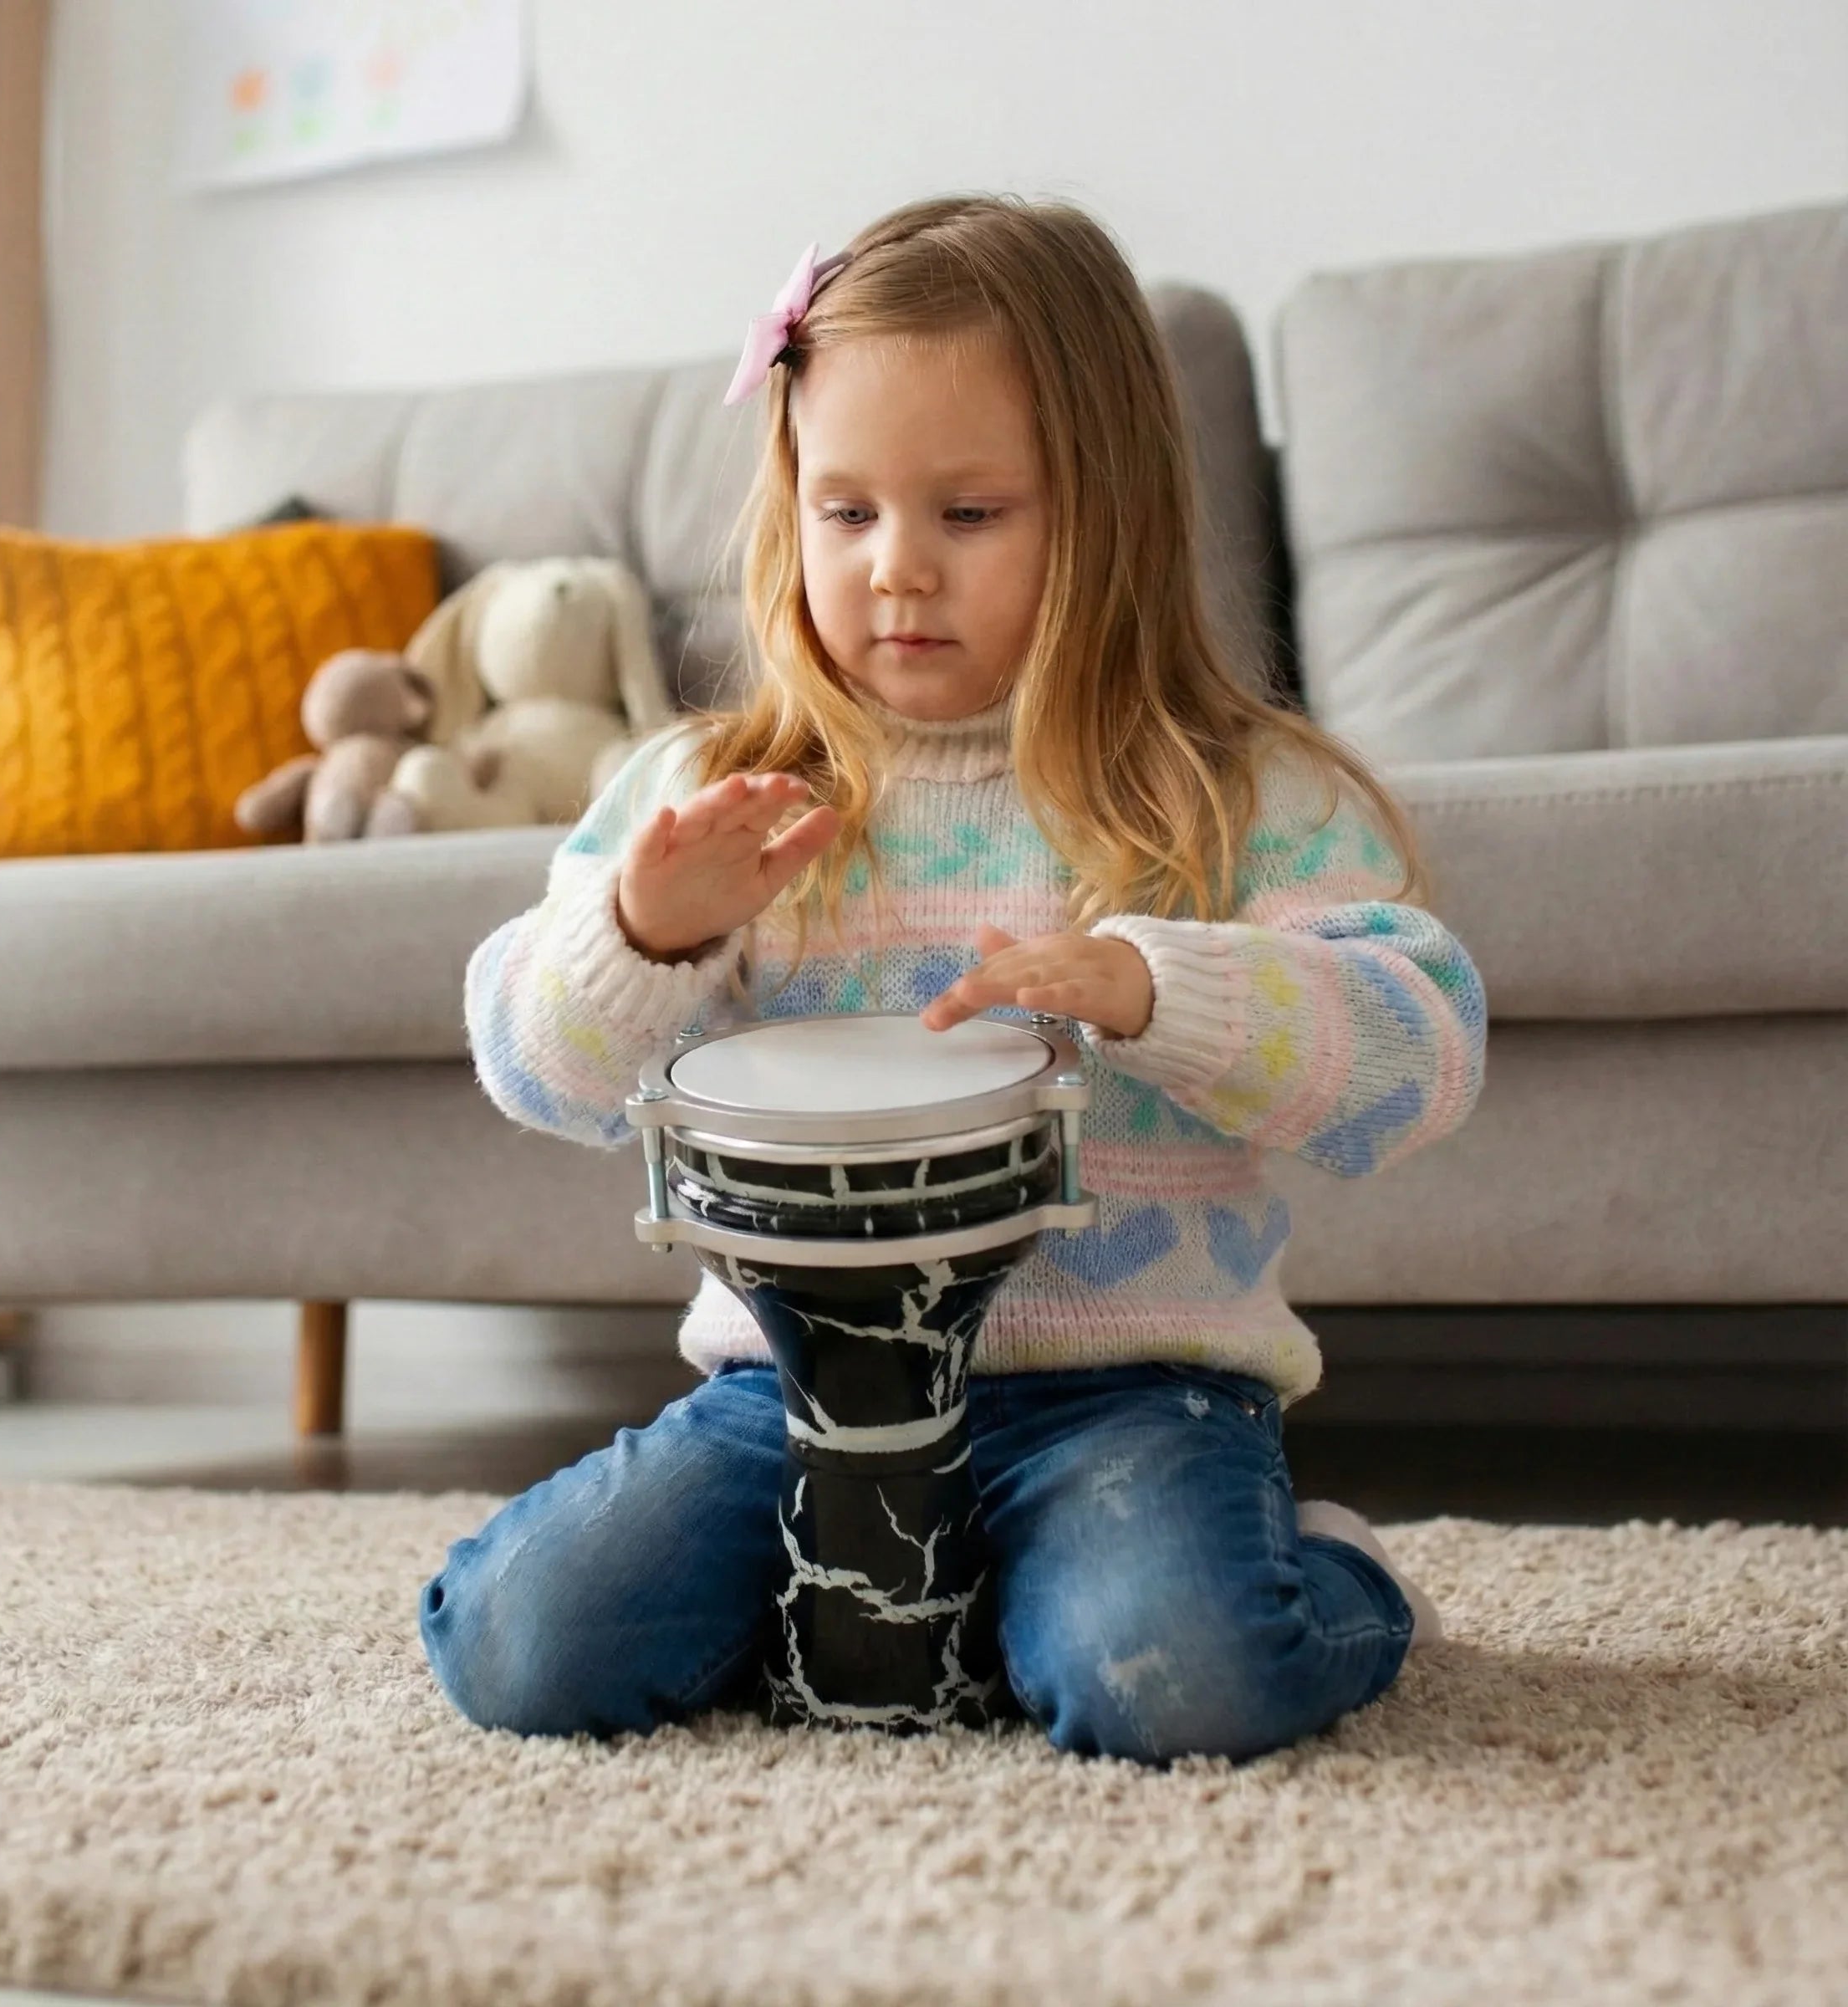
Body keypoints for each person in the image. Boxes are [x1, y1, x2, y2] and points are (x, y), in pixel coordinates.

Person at [420, 194, 1488, 1764]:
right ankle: (959, 1606)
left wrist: (1155, 990)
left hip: (1131, 1398)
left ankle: (1327, 1573)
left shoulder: (1234, 796)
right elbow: (534, 1070)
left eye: (969, 513)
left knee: (1181, 1680)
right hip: (787, 1391)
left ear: (1106, 513)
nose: (898, 571)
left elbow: (1421, 1061)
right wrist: (641, 935)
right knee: (519, 1640)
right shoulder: (715, 792)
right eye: (845, 512)